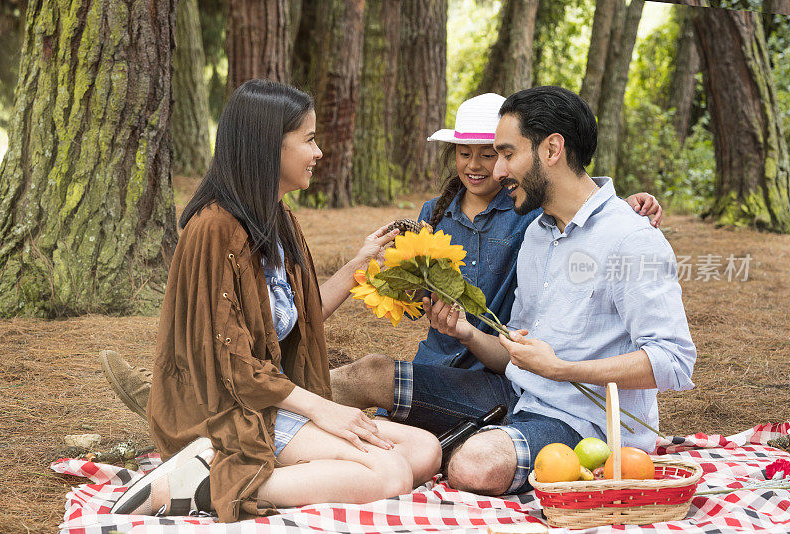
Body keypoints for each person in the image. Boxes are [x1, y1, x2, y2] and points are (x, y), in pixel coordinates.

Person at [109, 80, 441, 521]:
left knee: (424, 450)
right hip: (229, 409)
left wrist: (361, 262)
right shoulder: (214, 229)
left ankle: (244, 473)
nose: (319, 152)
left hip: (271, 400)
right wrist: (323, 410)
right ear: (269, 147)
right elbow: (232, 366)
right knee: (390, 473)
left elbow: (300, 319)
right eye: (309, 139)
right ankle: (205, 483)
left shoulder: (276, 217)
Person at [417, 86, 696, 495]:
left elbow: (673, 362)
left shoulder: (631, 240)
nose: (497, 172)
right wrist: (468, 333)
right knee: (369, 377)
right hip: (518, 400)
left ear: (552, 150)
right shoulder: (537, 235)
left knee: (474, 466)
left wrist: (563, 370)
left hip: (585, 426)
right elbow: (521, 353)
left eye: (508, 154)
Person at [329, 93, 663, 433]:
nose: (476, 165)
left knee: (395, 426)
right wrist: (400, 280)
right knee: (377, 408)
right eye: (464, 154)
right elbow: (415, 306)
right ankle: (293, 407)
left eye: (491, 155)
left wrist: (627, 204)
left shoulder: (528, 213)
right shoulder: (435, 213)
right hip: (436, 361)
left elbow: (572, 205)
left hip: (497, 370)